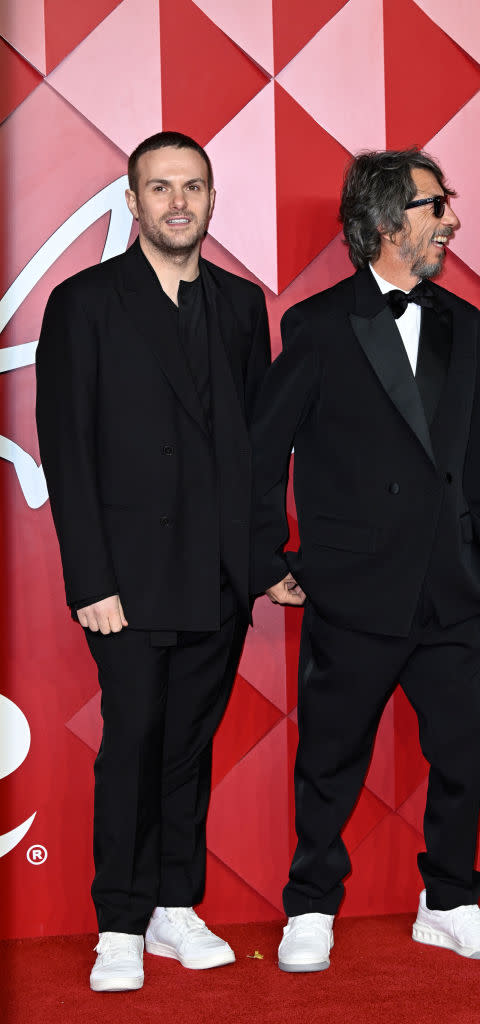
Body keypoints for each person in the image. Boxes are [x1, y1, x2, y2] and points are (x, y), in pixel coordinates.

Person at [251, 148, 480, 971]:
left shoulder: (463, 321)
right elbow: (265, 453)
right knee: (330, 757)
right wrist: (268, 556)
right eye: (437, 205)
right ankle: (312, 906)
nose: (453, 220)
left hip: (456, 588)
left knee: (463, 753)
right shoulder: (317, 325)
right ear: (387, 221)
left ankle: (450, 899)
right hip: (356, 586)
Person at [36, 132, 271, 991]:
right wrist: (90, 580)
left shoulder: (244, 308)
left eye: (194, 187)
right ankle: (120, 921)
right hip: (126, 583)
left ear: (212, 201)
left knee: (186, 747)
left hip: (216, 575)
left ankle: (177, 905)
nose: (179, 202)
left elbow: (253, 449)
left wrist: (258, 559)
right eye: (160, 187)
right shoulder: (85, 302)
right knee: (132, 741)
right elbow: (68, 450)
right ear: (131, 202)